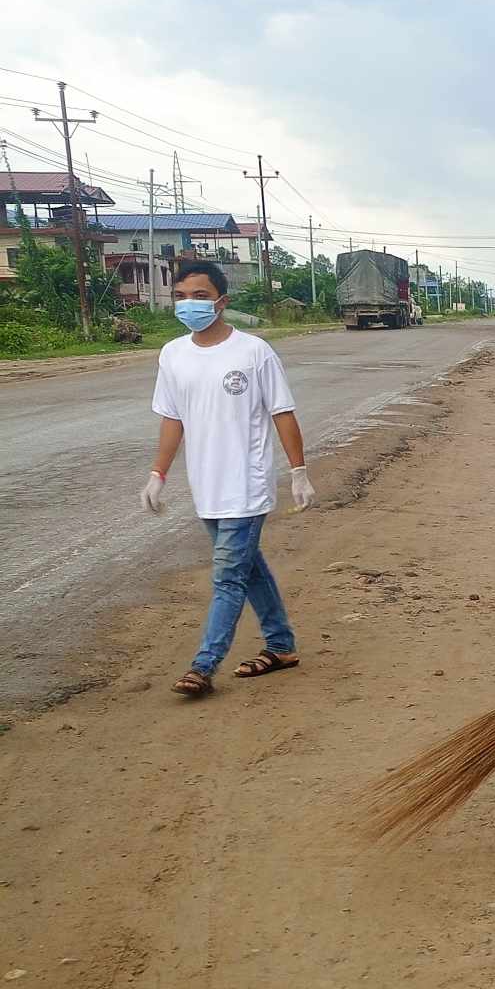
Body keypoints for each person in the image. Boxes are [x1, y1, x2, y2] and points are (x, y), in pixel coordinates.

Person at [144, 260, 317, 699]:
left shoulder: (253, 352)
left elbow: (282, 413)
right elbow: (172, 419)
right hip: (206, 485)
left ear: (223, 301)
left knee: (228, 577)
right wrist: (157, 474)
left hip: (246, 484)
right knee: (248, 567)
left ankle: (203, 666)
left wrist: (299, 470)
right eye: (181, 296)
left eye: (200, 297)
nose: (189, 305)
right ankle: (281, 647)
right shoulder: (173, 354)